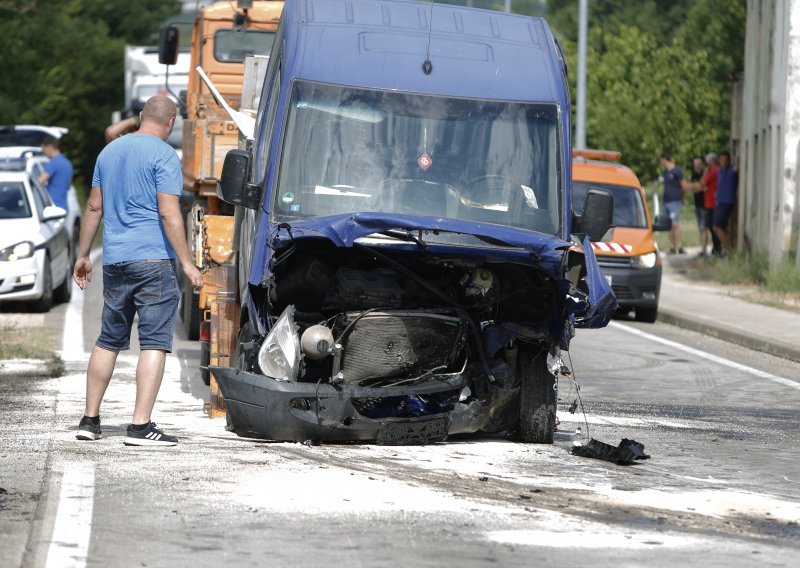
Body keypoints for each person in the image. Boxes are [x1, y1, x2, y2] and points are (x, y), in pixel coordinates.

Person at [73, 96, 203, 447]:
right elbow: (169, 213)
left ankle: (89, 420)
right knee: (155, 342)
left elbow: (94, 207)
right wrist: (188, 263)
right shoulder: (164, 156)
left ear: (141, 117)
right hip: (152, 261)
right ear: (172, 122)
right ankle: (140, 426)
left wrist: (83, 255)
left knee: (108, 340)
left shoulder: (109, 153)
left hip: (115, 260)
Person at [659, 152, 687, 254]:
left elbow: (683, 186)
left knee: (675, 223)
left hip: (675, 201)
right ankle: (672, 246)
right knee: (669, 224)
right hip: (666, 201)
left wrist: (683, 197)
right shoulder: (665, 172)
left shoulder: (677, 171)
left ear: (664, 159)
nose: (660, 162)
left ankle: (679, 246)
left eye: (661, 160)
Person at [713, 151, 739, 257]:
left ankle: (726, 249)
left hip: (728, 202)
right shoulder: (719, 171)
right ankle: (728, 248)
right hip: (720, 202)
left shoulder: (731, 170)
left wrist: (737, 160)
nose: (723, 162)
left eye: (725, 160)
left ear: (729, 160)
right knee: (724, 228)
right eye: (721, 160)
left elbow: (737, 168)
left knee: (716, 226)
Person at [38, 136, 73, 210]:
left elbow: (39, 182)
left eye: (43, 149)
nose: (43, 152)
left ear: (49, 147)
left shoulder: (54, 163)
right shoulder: (67, 163)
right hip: (63, 206)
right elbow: (69, 185)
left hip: (54, 206)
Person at [687, 156, 711, 256]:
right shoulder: (694, 175)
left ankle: (704, 249)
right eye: (695, 164)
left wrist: (698, 186)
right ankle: (703, 248)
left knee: (704, 227)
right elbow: (691, 188)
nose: (696, 166)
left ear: (702, 164)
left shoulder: (706, 173)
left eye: (698, 164)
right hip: (697, 204)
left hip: (705, 204)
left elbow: (704, 186)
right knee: (700, 228)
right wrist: (699, 187)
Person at [701, 153, 722, 257]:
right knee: (711, 227)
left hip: (712, 203)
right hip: (710, 203)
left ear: (710, 162)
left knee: (713, 227)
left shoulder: (714, 171)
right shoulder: (714, 170)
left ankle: (717, 249)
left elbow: (703, 182)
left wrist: (705, 172)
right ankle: (716, 248)